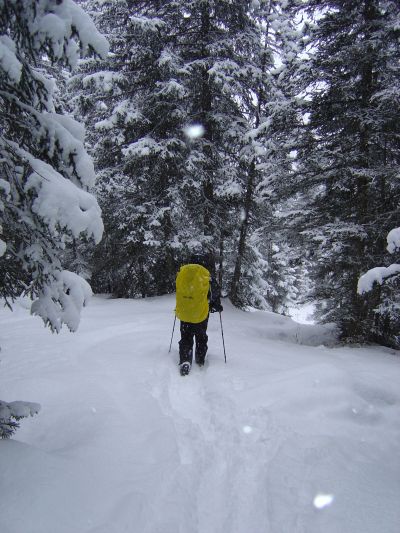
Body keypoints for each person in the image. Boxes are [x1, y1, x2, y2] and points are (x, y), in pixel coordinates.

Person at [175, 252, 223, 376]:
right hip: (201, 314)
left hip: (185, 313)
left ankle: (185, 360)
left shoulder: (183, 274)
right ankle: (200, 359)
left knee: (186, 337)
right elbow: (215, 294)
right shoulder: (206, 276)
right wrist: (216, 306)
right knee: (201, 336)